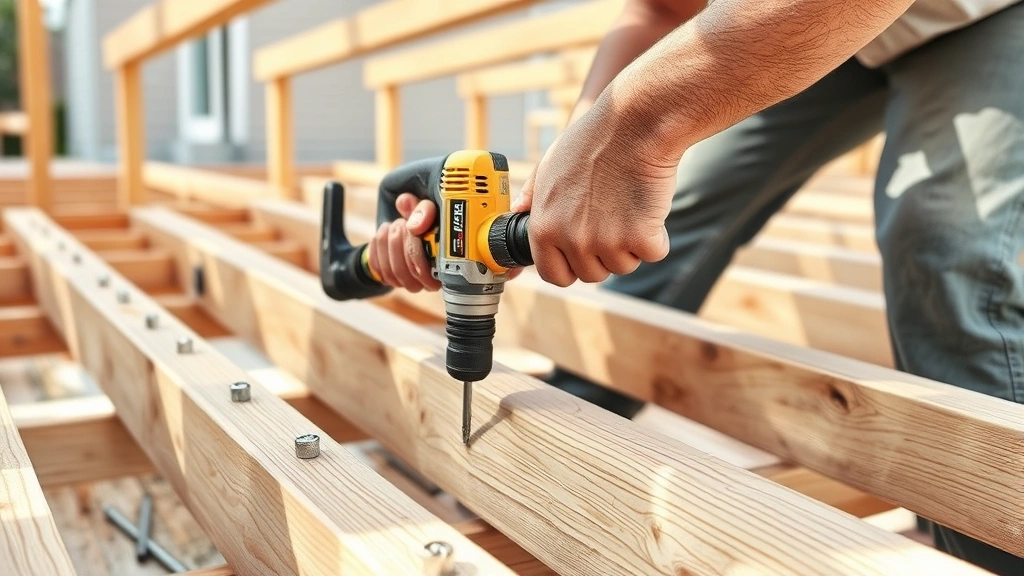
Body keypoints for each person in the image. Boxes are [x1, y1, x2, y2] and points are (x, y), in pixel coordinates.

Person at [366, 0, 1024, 573]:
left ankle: (992, 553)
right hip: (804, 18)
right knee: (646, 212)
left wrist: (633, 131)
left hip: (984, 13)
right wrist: (569, 170)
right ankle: (545, 443)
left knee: (943, 248)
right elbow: (657, 10)